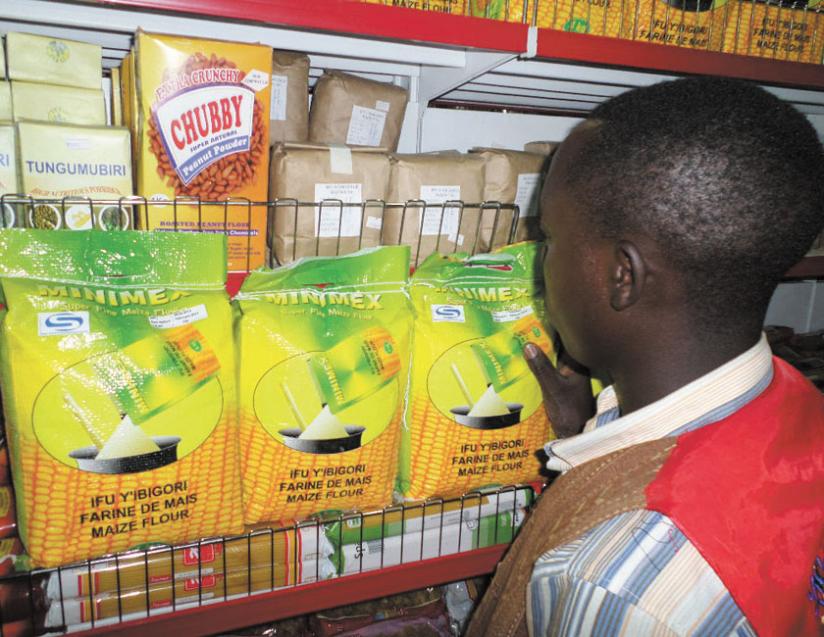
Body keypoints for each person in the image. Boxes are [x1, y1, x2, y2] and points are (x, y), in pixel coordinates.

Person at [465, 77, 824, 636]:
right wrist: (587, 431)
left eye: (551, 238)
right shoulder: (799, 402)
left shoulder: (613, 587)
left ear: (621, 276)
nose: (540, 259)